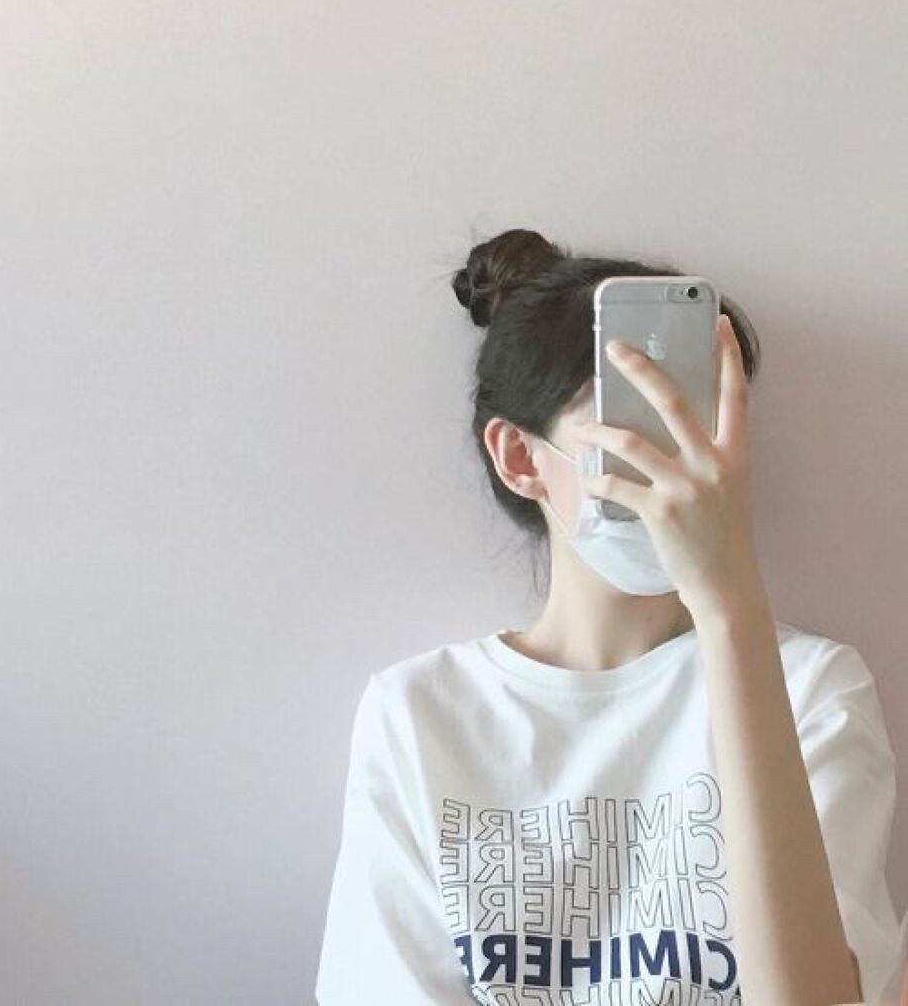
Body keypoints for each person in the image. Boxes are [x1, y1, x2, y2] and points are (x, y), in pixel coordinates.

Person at [315, 229, 901, 1004]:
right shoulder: (420, 711)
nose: (680, 466)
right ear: (520, 458)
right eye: (634, 426)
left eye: (703, 424)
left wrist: (729, 604)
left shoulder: (813, 689)